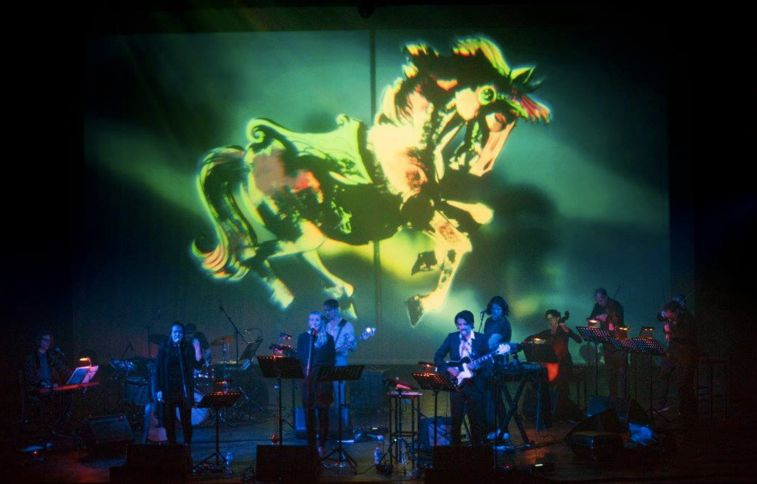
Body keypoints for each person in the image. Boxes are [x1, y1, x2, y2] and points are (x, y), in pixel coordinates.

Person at [434, 310, 488, 446]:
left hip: (475, 385)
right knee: (456, 420)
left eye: (465, 324)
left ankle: (476, 451)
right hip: (457, 384)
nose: (462, 327)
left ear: (472, 324)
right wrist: (448, 368)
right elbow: (438, 356)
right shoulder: (452, 337)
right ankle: (456, 450)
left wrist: (479, 367)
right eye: (459, 324)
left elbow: (488, 362)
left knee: (476, 421)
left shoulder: (481, 339)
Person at [526, 310, 583, 420]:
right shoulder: (548, 332)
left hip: (564, 362)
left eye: (551, 318)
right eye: (548, 319)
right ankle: (546, 408)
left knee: (561, 379)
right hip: (552, 363)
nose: (550, 321)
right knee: (541, 378)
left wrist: (565, 328)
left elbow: (578, 340)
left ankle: (562, 409)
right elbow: (532, 337)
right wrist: (530, 342)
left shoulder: (564, 331)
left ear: (557, 318)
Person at [156, 322, 204, 445]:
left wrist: (199, 352)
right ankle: (172, 446)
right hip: (168, 388)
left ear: (183, 334)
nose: (177, 334)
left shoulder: (188, 347)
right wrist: (159, 389)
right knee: (169, 420)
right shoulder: (164, 348)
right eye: (175, 332)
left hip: (184, 388)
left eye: (180, 332)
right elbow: (158, 370)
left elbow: (197, 365)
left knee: (186, 420)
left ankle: (187, 445)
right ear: (171, 333)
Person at [297, 311, 335, 458]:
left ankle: (322, 444)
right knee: (308, 412)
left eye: (317, 319)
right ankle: (311, 444)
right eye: (311, 319)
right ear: (309, 322)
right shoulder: (303, 337)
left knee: (323, 412)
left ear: (321, 322)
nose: (314, 322)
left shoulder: (328, 339)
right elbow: (300, 357)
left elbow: (331, 360)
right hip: (308, 379)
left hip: (323, 380)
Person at [22, 330, 71, 435]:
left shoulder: (51, 356)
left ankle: (59, 428)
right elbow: (29, 377)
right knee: (50, 401)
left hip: (50, 388)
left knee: (68, 397)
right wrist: (42, 384)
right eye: (45, 340)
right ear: (39, 341)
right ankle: (47, 430)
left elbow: (63, 369)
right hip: (37, 389)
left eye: (49, 340)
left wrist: (76, 374)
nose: (48, 342)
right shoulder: (31, 358)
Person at [659, 300, 698, 423]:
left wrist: (671, 331)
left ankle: (690, 414)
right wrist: (667, 330)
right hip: (676, 354)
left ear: (673, 311)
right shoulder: (672, 319)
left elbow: (686, 336)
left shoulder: (687, 319)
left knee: (685, 385)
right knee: (673, 380)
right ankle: (677, 410)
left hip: (687, 355)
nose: (666, 316)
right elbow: (662, 321)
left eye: (667, 313)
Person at [480, 296, 512, 440]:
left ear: (503, 310)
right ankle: (494, 429)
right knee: (491, 398)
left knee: (495, 398)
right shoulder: (488, 321)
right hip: (487, 362)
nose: (495, 311)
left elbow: (493, 343)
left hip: (497, 363)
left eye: (498, 309)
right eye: (493, 308)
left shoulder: (504, 323)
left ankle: (500, 429)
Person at [588, 288, 627, 399]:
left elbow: (619, 322)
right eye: (597, 300)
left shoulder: (616, 305)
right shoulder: (597, 306)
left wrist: (608, 318)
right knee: (610, 371)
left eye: (600, 300)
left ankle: (624, 398)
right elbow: (591, 320)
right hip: (607, 342)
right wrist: (597, 317)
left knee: (621, 372)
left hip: (619, 341)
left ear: (605, 297)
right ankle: (613, 397)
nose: (599, 303)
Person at [323, 298, 356, 428]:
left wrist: (348, 345)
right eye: (325, 311)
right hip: (326, 362)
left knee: (339, 393)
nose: (326, 313)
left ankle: (341, 424)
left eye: (329, 310)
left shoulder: (347, 326)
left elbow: (353, 346)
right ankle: (327, 424)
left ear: (336, 310)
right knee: (325, 393)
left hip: (339, 361)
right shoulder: (326, 325)